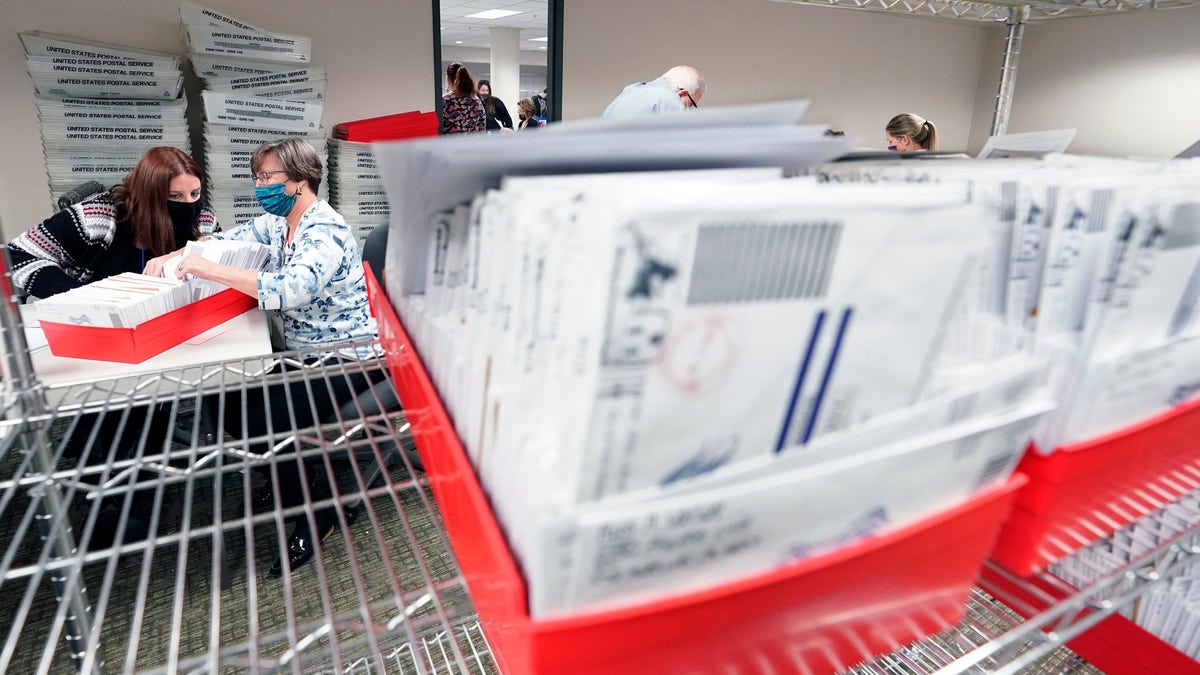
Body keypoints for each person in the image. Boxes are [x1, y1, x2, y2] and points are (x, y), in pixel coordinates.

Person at [159, 138, 383, 576]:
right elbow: (229, 238)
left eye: (266, 177)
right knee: (221, 399)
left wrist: (208, 269)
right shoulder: (279, 223)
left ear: (298, 181)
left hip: (347, 355)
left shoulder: (325, 230)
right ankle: (281, 480)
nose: (259, 185)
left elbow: (287, 289)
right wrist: (180, 254)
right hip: (306, 352)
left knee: (262, 418)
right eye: (257, 176)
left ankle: (313, 508)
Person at [7, 146, 217, 299]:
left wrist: (178, 255)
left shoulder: (201, 216)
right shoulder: (99, 217)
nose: (189, 203)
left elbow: (219, 250)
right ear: (148, 195)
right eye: (175, 196)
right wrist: (77, 297)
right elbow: (15, 256)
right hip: (100, 322)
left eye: (195, 193)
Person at [602, 65, 704, 119]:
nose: (688, 110)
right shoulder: (669, 99)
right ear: (682, 93)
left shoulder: (632, 89)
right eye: (691, 104)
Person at [441, 62, 486, 135]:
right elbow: (482, 128)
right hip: (472, 144)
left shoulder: (445, 100)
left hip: (449, 145)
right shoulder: (476, 101)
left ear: (448, 79)